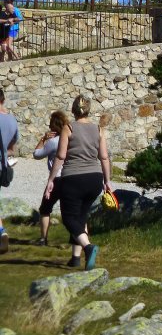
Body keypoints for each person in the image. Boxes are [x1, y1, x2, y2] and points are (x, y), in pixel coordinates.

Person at [43, 95, 113, 270]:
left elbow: (60, 156)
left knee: (68, 218)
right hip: (95, 179)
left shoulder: (69, 128)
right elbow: (104, 157)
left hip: (73, 178)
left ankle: (89, 247)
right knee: (81, 218)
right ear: (89, 110)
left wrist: (51, 180)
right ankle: (75, 258)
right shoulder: (98, 129)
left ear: (73, 110)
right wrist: (108, 181)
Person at [33, 110, 69, 246]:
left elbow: (36, 154)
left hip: (56, 179)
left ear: (54, 127)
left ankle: (43, 239)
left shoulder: (53, 142)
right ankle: (79, 241)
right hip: (70, 177)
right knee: (72, 211)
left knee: (45, 209)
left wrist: (43, 139)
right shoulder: (72, 139)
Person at [0, 88, 19, 255]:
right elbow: (12, 149)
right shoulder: (12, 120)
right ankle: (1, 232)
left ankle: (1, 232)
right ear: (3, 100)